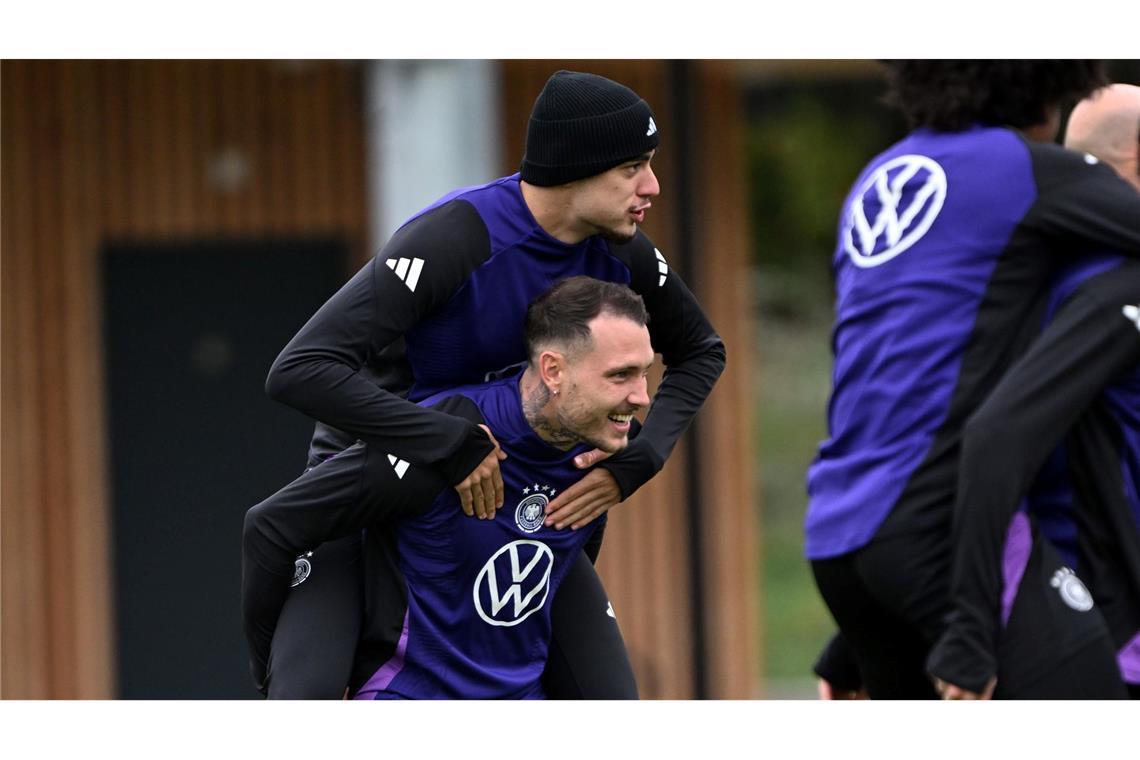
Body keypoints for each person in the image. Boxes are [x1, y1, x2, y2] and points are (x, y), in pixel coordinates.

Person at [251, 70, 725, 698]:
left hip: (515, 493)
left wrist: (637, 461)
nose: (652, 186)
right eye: (633, 167)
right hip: (377, 489)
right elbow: (301, 370)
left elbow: (701, 351)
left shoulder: (621, 250)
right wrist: (447, 442)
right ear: (576, 170)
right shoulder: (455, 237)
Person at [805, 61, 1140, 699]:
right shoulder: (1030, 172)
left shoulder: (877, 180)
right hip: (943, 532)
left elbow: (881, 372)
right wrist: (969, 624)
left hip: (840, 531)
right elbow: (996, 430)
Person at [244, 277, 655, 698]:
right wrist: (268, 666)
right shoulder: (444, 445)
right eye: (621, 375)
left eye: (645, 373)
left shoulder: (605, 447)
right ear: (552, 370)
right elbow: (270, 525)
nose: (642, 397)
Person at [926, 84, 1140, 699]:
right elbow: (991, 437)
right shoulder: (1114, 288)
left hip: (1044, 599)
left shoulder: (1026, 284)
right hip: (1106, 620)